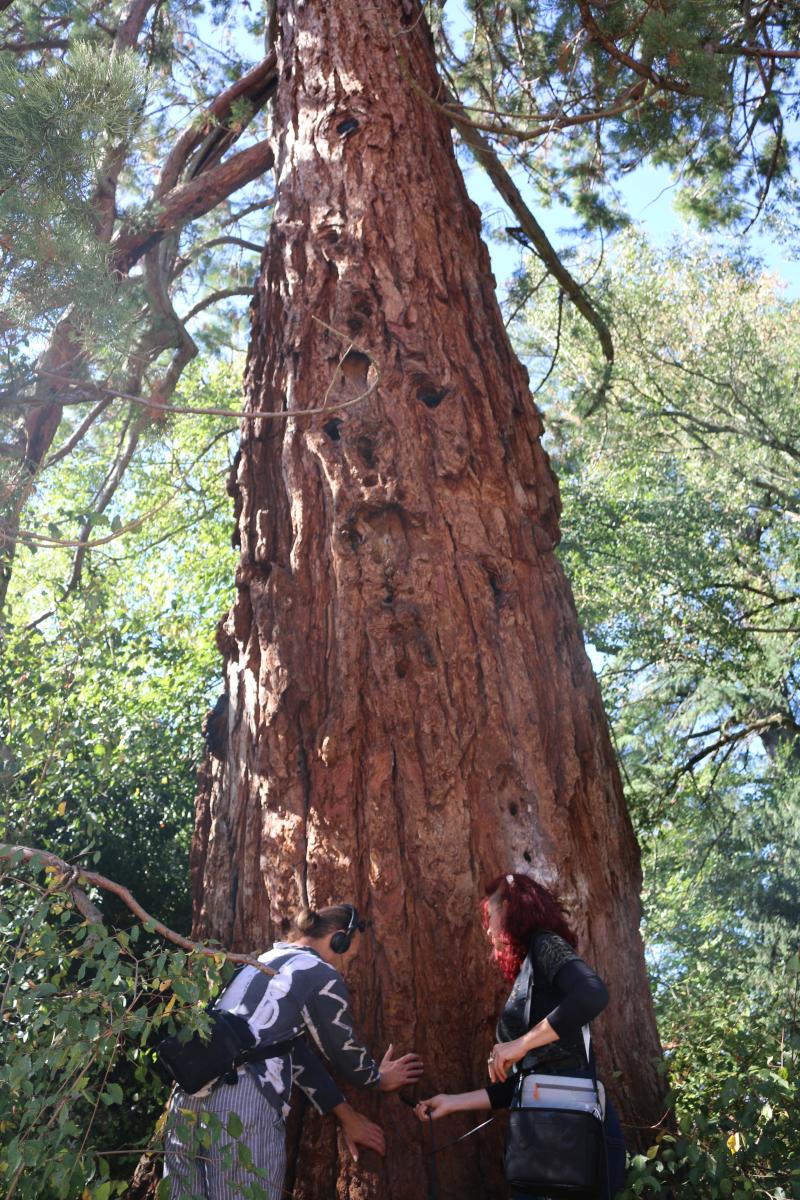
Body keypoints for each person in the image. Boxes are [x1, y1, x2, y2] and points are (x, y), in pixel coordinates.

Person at [165, 902, 423, 1199]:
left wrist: (344, 1113)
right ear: (339, 939)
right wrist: (377, 1078)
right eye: (349, 958)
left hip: (186, 1097)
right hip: (242, 1097)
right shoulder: (319, 973)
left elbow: (291, 1051)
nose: (346, 968)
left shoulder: (263, 960)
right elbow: (341, 1047)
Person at [415, 873, 626, 1199]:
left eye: (491, 916)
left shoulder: (545, 942)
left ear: (512, 910)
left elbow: (592, 993)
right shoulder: (529, 975)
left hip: (573, 1133)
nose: (488, 930)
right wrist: (451, 1103)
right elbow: (522, 1085)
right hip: (542, 1134)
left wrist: (519, 1044)